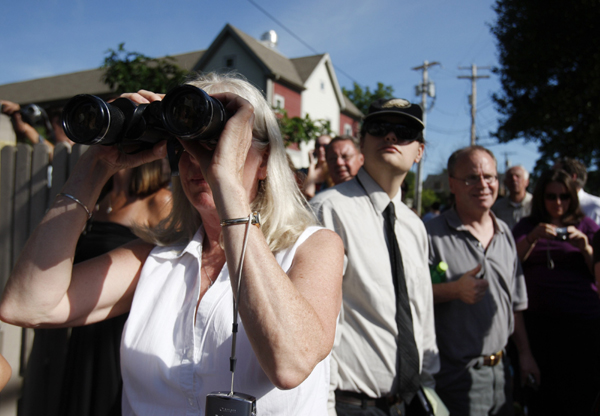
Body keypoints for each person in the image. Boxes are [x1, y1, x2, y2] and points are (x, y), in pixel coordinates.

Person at [0, 72, 344, 415]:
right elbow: (28, 305)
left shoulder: (313, 248)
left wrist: (227, 184)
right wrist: (95, 166)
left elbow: (291, 363)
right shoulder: (156, 258)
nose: (198, 159)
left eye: (216, 140)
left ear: (265, 161)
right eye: (185, 144)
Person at [311, 98, 439, 415]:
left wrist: (429, 388)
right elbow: (315, 323)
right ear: (362, 143)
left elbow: (421, 312)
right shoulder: (329, 210)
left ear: (419, 152)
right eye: (379, 128)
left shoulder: (415, 226)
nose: (391, 137)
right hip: (349, 404)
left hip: (410, 402)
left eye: (404, 131)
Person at [426, 146, 538, 416]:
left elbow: (515, 304)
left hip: (502, 372)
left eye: (490, 177)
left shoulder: (505, 235)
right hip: (454, 377)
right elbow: (406, 298)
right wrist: (452, 290)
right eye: (471, 178)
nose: (483, 185)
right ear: (452, 183)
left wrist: (524, 354)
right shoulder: (428, 235)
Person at [512, 168, 600, 416]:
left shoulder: (587, 225)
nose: (558, 203)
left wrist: (585, 248)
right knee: (542, 395)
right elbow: (508, 263)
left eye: (564, 197)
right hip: (538, 325)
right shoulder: (527, 226)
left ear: (573, 198)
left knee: (581, 393)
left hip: (583, 323)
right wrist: (531, 238)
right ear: (541, 197)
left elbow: (597, 271)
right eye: (551, 196)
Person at [554, 157, 600, 225]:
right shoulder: (549, 205)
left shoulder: (596, 207)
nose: (551, 178)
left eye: (557, 175)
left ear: (572, 177)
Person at [492, 165, 532, 229]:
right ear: (505, 182)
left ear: (526, 182)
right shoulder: (497, 207)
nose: (514, 179)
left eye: (518, 176)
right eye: (510, 177)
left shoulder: (534, 204)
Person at [302, 134, 334, 199]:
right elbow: (308, 193)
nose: (320, 149)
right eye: (318, 146)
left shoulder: (334, 172)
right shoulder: (304, 172)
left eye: (325, 146)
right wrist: (311, 165)